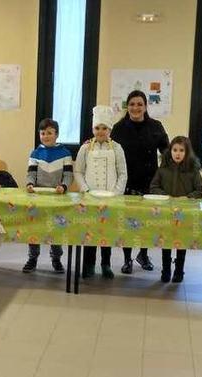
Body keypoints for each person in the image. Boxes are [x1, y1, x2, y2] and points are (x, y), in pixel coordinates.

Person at [111, 90, 169, 274]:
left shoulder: (156, 126)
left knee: (146, 222)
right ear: (127, 106)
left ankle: (143, 254)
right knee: (127, 222)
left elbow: (167, 153)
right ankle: (127, 259)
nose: (136, 108)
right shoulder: (118, 128)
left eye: (139, 104)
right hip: (126, 182)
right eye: (132, 104)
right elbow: (110, 154)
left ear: (145, 106)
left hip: (150, 182)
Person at [74, 105, 127, 279]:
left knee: (106, 232)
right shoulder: (85, 148)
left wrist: (116, 193)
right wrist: (86, 190)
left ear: (110, 129)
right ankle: (88, 265)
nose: (101, 131)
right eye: (97, 128)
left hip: (110, 198)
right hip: (90, 198)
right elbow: (78, 172)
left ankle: (106, 264)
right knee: (90, 232)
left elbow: (122, 173)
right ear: (93, 129)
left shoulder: (117, 148)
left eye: (104, 128)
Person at [148, 136, 202, 283]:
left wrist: (188, 198)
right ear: (170, 151)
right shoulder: (163, 168)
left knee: (181, 241)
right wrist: (166, 196)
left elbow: (200, 190)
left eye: (181, 150)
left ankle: (179, 270)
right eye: (174, 150)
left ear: (187, 152)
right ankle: (166, 269)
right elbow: (153, 187)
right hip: (166, 213)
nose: (177, 153)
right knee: (165, 241)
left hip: (184, 214)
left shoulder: (193, 170)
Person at [23, 118, 73, 274]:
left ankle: (56, 259)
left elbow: (68, 175)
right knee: (34, 228)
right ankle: (32, 258)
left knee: (56, 229)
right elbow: (30, 174)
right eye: (43, 133)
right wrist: (30, 184)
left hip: (58, 198)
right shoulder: (35, 153)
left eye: (49, 133)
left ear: (56, 135)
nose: (46, 136)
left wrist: (63, 187)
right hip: (38, 198)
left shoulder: (65, 153)